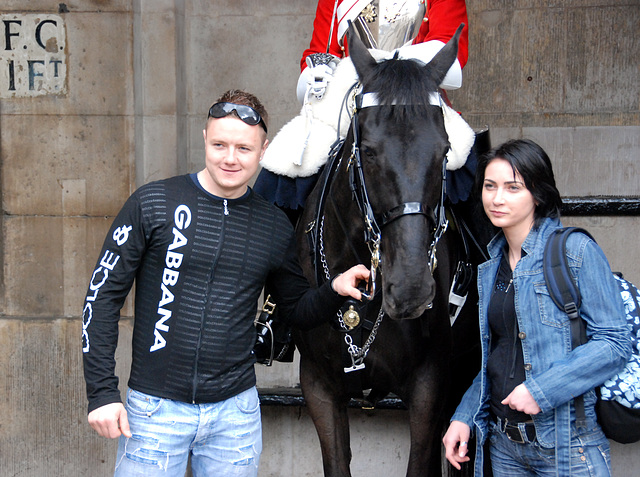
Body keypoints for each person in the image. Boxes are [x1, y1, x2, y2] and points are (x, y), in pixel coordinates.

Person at [82, 89, 370, 477]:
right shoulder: (153, 202)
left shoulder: (274, 226)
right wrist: (101, 393)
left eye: (244, 148)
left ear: (263, 151)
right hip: (154, 412)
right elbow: (101, 299)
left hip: (235, 416)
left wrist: (334, 290)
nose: (230, 158)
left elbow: (297, 309)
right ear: (204, 139)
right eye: (219, 144)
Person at [442, 139, 632, 476]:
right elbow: (496, 354)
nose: (497, 198)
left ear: (538, 194)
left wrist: (541, 391)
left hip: (568, 446)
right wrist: (464, 415)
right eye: (489, 186)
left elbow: (614, 343)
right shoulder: (491, 267)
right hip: (504, 448)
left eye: (513, 188)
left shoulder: (575, 251)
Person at [254, 0, 470, 222]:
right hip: (350, 102)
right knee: (288, 164)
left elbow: (451, 56)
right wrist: (316, 73)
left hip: (417, 102)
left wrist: (386, 62)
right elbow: (323, 50)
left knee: (471, 171)